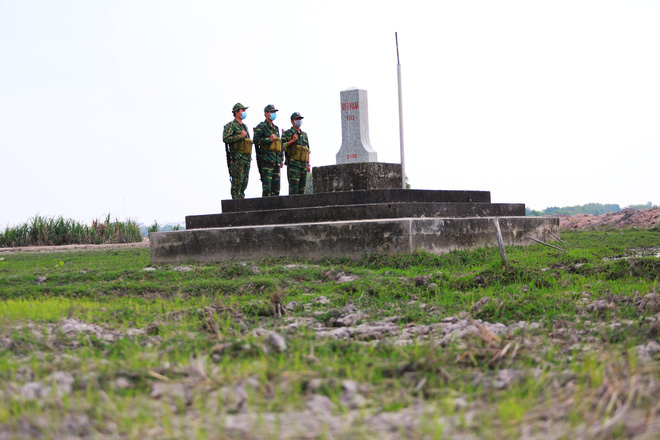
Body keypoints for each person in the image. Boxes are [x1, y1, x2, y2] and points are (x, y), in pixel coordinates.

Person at [222, 103, 253, 199]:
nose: (244, 112)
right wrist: (240, 136)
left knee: (244, 181)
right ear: (236, 112)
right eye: (242, 110)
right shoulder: (231, 125)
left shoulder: (244, 126)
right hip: (237, 158)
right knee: (237, 182)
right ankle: (236, 202)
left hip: (246, 158)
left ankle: (241, 199)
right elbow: (226, 138)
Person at [254, 104, 283, 197]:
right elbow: (256, 141)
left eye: (274, 112)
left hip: (276, 160)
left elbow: (279, 145)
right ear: (266, 114)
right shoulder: (261, 126)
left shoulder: (276, 128)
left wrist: (281, 158)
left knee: (276, 188)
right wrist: (268, 139)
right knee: (267, 187)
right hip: (266, 160)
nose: (274, 114)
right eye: (271, 112)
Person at [282, 112, 310, 195]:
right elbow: (282, 147)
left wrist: (308, 164)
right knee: (294, 189)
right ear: (292, 121)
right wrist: (292, 140)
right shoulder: (287, 133)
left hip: (304, 165)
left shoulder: (304, 134)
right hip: (294, 165)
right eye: (297, 119)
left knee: (302, 190)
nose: (299, 121)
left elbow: (307, 150)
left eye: (300, 119)